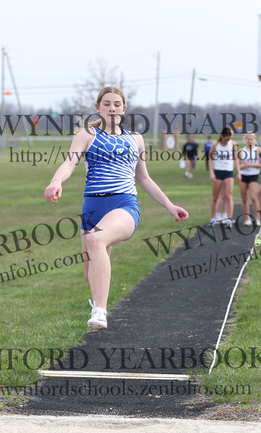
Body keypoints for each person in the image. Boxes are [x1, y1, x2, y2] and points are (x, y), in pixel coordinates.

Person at [44, 87, 189, 330]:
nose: (112, 108)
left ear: (124, 108)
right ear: (98, 107)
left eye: (117, 104)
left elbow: (143, 178)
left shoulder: (136, 139)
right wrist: (56, 181)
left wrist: (169, 205)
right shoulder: (87, 134)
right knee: (90, 273)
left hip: (124, 204)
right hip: (92, 207)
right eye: (107, 103)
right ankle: (99, 304)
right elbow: (69, 163)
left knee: (95, 241)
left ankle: (100, 311)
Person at [208, 127, 240, 229]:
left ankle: (229, 219)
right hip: (218, 172)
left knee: (228, 195)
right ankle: (213, 218)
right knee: (215, 197)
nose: (227, 141)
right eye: (226, 139)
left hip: (228, 172)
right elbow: (210, 159)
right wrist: (211, 173)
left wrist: (239, 172)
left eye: (229, 139)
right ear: (222, 136)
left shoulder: (233, 144)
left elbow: (236, 159)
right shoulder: (215, 144)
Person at [238, 133, 261, 226]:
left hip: (253, 175)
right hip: (244, 176)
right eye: (248, 139)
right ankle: (247, 218)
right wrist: (242, 167)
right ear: (245, 140)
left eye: (251, 139)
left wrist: (251, 165)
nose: (249, 141)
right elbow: (237, 166)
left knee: (253, 197)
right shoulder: (241, 151)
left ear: (254, 140)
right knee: (244, 198)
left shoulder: (258, 150)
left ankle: (257, 218)